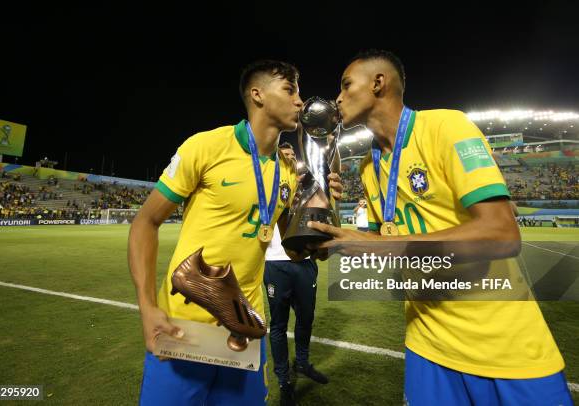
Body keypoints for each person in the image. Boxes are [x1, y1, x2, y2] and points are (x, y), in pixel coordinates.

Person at [308, 49, 572, 405]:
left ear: (378, 83)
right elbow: (380, 242)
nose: (338, 97)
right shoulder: (368, 168)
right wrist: (333, 230)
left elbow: (502, 235)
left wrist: (375, 246)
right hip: (426, 343)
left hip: (504, 346)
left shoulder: (447, 126)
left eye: (346, 84)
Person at [128, 60, 342, 405]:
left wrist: (320, 219)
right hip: (183, 327)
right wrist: (147, 306)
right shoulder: (206, 147)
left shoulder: (288, 169)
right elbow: (145, 223)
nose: (300, 101)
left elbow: (295, 251)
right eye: (290, 90)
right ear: (257, 95)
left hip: (246, 331)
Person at [263, 142, 328, 406]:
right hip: (275, 264)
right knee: (278, 325)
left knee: (305, 319)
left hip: (304, 265)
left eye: (293, 156)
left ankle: (301, 363)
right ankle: (283, 379)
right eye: (285, 155)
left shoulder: (307, 189)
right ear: (278, 158)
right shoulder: (267, 183)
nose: (290, 158)